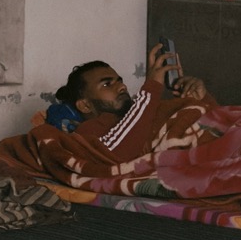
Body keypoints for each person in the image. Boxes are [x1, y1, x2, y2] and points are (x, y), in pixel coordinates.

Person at [53, 43, 214, 163]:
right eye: (107, 84)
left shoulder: (145, 111)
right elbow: (113, 153)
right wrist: (151, 89)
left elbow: (218, 125)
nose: (122, 86)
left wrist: (202, 98)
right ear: (85, 105)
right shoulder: (89, 131)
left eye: (120, 81)